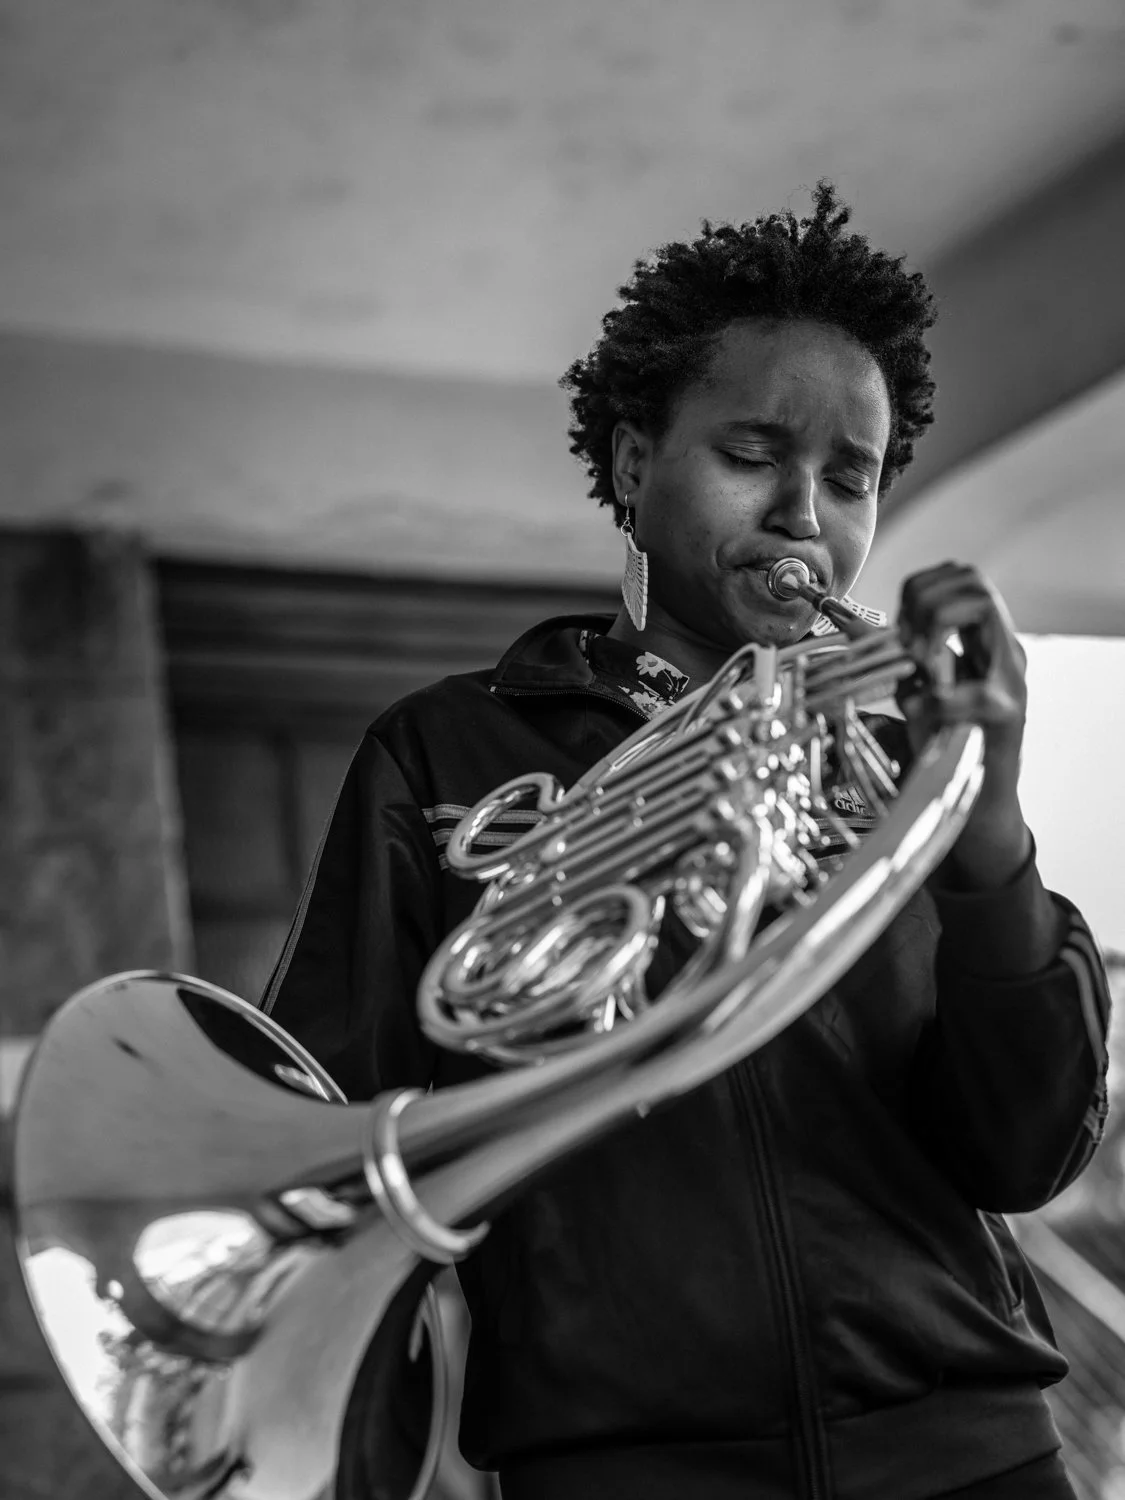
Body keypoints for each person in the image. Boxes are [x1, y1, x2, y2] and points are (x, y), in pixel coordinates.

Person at [260, 182, 1111, 1500]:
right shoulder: (447, 756)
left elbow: (1028, 1149)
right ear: (633, 463)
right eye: (754, 451)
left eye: (850, 476)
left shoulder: (907, 776)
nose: (805, 514)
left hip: (972, 1460)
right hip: (622, 1473)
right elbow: (328, 1146)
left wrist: (987, 820)